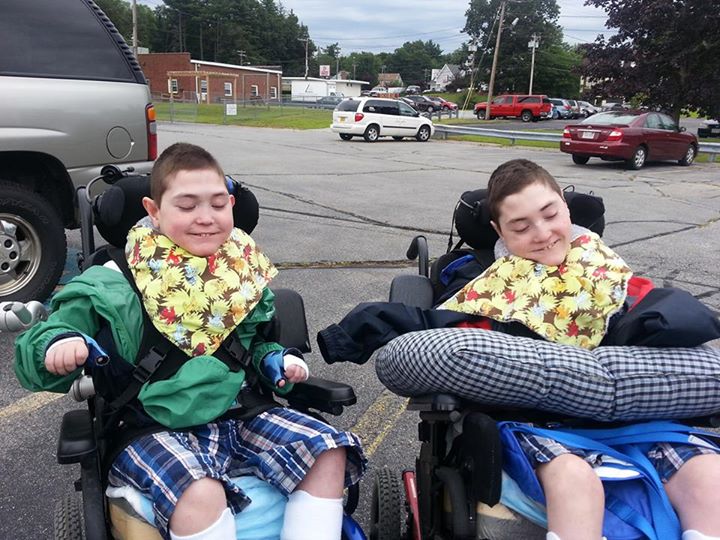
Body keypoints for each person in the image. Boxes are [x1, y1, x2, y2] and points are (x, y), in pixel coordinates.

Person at [317, 159, 720, 540]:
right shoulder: (495, 290)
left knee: (709, 475)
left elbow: (664, 313)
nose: (542, 234)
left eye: (550, 214)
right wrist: (354, 331)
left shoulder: (605, 268)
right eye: (521, 226)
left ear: (565, 205)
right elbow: (435, 326)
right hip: (542, 424)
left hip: (635, 417)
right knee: (574, 479)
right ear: (499, 230)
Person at [15, 142, 366, 540]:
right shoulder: (109, 281)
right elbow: (40, 344)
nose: (206, 218)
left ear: (231, 204)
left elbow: (256, 346)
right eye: (186, 206)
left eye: (218, 204)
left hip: (239, 415)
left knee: (328, 450)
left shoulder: (241, 273)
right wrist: (58, 343)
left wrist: (275, 360)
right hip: (151, 425)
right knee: (200, 491)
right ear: (153, 210)